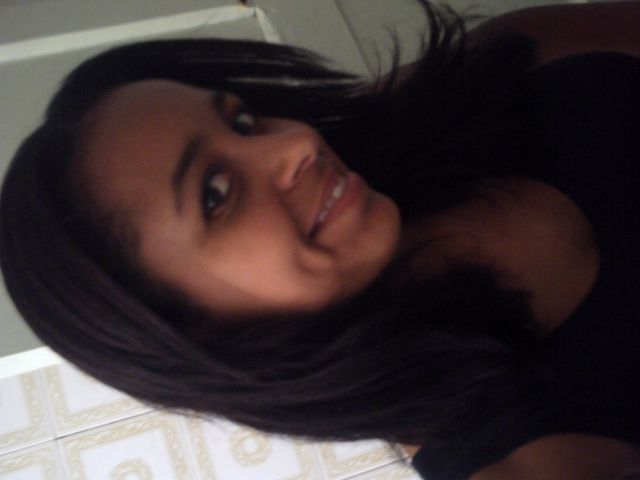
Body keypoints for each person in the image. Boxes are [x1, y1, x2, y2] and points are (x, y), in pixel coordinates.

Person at [1, 1, 640, 478]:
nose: (296, 142)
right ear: (191, 332)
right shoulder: (537, 456)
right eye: (215, 194)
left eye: (242, 121)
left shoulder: (428, 102)